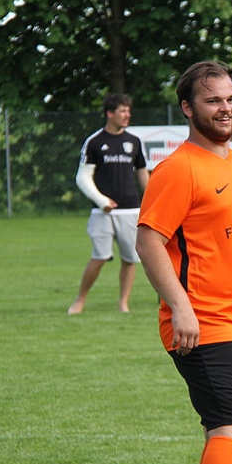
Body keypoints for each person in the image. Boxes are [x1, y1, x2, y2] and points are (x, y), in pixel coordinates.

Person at [136, 61, 232, 464]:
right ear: (188, 109)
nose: (225, 108)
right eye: (213, 101)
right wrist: (180, 307)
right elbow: (149, 241)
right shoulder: (178, 168)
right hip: (203, 323)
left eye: (230, 99)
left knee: (224, 433)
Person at [68, 93, 149, 315]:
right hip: (102, 213)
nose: (127, 115)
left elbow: (142, 173)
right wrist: (101, 201)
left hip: (131, 210)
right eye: (122, 111)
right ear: (110, 113)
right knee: (100, 256)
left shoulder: (134, 141)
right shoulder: (94, 142)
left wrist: (152, 198)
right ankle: (80, 300)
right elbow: (82, 178)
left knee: (130, 259)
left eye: (128, 111)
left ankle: (123, 303)